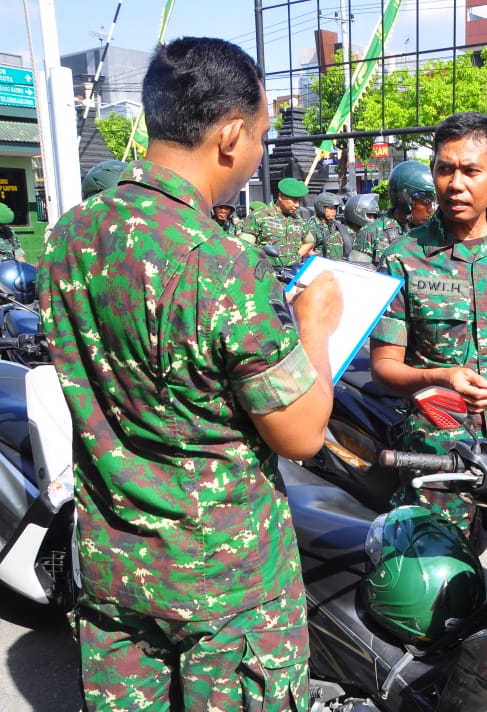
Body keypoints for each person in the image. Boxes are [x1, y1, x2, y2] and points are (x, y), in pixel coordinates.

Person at [37, 37, 342, 710]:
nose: (261, 151)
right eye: (261, 135)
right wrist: (315, 326)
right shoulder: (222, 263)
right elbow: (301, 434)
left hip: (117, 567)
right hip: (224, 590)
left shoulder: (71, 236)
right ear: (231, 136)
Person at [370, 112, 487, 535]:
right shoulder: (402, 258)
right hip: (440, 457)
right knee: (443, 585)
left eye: (471, 171)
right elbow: (385, 367)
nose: (455, 184)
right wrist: (443, 376)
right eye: (445, 169)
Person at [352, 160, 436, 266]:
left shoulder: (433, 233)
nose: (430, 209)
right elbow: (358, 276)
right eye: (427, 201)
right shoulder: (370, 233)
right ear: (407, 199)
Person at [240, 176, 312, 266]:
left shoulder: (298, 220)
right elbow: (244, 246)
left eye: (299, 201)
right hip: (266, 272)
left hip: (291, 272)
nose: (297, 205)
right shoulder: (259, 216)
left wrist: (296, 256)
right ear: (281, 197)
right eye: (294, 200)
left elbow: (309, 242)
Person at [301, 191, 352, 261]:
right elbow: (306, 250)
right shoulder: (312, 226)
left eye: (334, 208)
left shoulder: (336, 224)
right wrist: (323, 260)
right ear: (321, 208)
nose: (334, 211)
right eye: (331, 208)